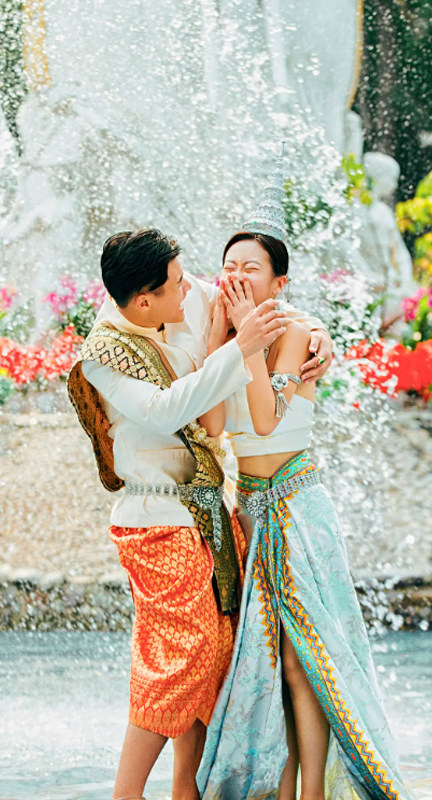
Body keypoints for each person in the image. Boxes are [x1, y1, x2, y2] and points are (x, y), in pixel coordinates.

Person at [67, 227, 333, 800]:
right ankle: (125, 794)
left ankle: (188, 792)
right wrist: (238, 350)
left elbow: (260, 296)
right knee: (181, 659)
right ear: (145, 299)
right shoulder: (103, 357)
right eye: (179, 282)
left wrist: (317, 331)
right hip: (156, 521)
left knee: (216, 664)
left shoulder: (181, 302)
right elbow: (165, 411)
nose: (195, 288)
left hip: (211, 517)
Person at [195, 166, 409, 799]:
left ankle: (311, 790)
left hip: (296, 509)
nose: (236, 275)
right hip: (250, 512)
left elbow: (264, 418)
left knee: (301, 660)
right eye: (229, 264)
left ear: (278, 281)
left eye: (251, 267)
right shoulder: (228, 335)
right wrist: (220, 338)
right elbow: (212, 424)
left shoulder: (294, 333)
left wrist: (250, 342)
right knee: (261, 662)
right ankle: (280, 785)